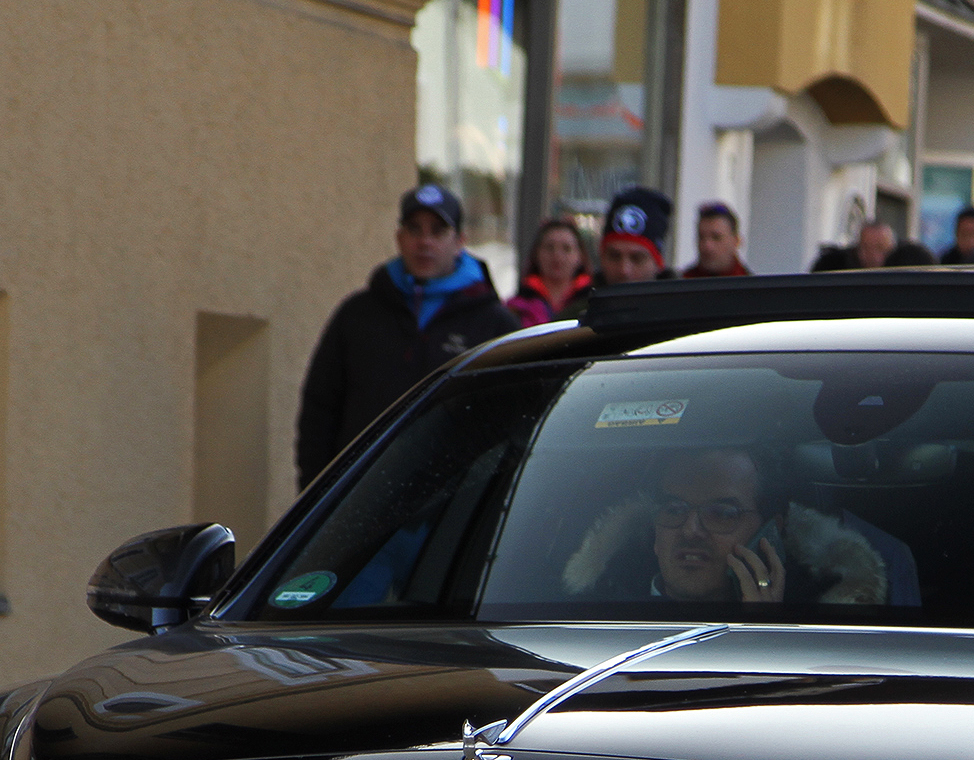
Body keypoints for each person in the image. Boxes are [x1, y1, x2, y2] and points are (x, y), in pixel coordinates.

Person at [295, 184, 517, 489]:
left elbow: (512, 422)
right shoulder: (357, 315)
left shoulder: (494, 325)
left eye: (437, 231)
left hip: (452, 510)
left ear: (460, 242)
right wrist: (314, 493)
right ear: (400, 239)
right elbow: (319, 411)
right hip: (359, 501)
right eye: (415, 230)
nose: (424, 242)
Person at [559, 448, 888, 606]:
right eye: (674, 509)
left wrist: (764, 631)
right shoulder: (585, 609)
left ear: (771, 533)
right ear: (654, 532)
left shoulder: (827, 624)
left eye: (722, 512)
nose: (691, 529)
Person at [505, 216, 589, 327]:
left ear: (580, 256)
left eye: (566, 248)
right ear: (536, 254)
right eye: (549, 247)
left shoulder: (593, 303)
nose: (557, 256)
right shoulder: (514, 309)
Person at [595, 186, 674, 287]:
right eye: (614, 256)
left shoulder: (687, 302)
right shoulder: (576, 301)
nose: (624, 270)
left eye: (637, 258)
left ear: (658, 264)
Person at [681, 201, 749, 278]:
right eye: (701, 237)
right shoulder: (682, 284)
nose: (707, 246)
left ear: (736, 241)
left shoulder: (751, 287)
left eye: (716, 237)